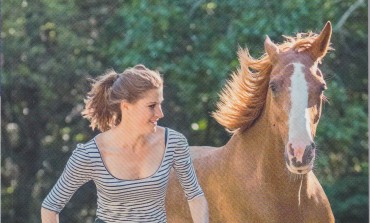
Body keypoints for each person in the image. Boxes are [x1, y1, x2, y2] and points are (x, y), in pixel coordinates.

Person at [41, 64, 209, 223]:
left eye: (160, 104)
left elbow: (195, 196)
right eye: (152, 106)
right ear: (126, 106)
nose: (160, 113)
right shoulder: (91, 154)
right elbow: (50, 207)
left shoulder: (173, 143)